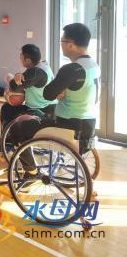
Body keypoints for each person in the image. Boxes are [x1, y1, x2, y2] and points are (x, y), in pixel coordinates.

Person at [12, 23, 100, 177]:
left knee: (18, 128)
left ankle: (31, 172)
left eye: (62, 41)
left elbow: (48, 94)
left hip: (68, 126)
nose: (61, 45)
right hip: (88, 125)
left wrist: (59, 91)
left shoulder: (71, 69)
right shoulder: (93, 65)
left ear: (71, 44)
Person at [0, 44, 57, 130]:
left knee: (9, 111)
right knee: (7, 107)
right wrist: (17, 75)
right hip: (43, 107)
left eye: (21, 56)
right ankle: (7, 135)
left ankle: (9, 135)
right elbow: (23, 80)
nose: (19, 57)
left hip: (43, 110)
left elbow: (15, 86)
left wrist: (9, 78)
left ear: (28, 60)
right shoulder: (41, 65)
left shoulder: (36, 71)